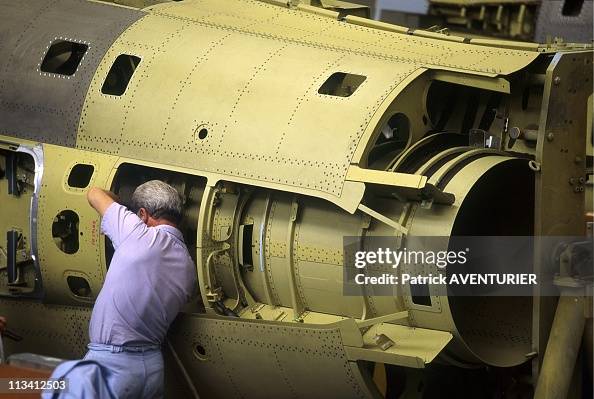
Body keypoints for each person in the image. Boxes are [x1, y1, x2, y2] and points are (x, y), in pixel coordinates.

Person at [46, 180, 197, 398]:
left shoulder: (137, 233)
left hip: (112, 364)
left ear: (143, 214)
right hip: (152, 369)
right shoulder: (187, 266)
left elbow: (94, 194)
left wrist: (119, 201)